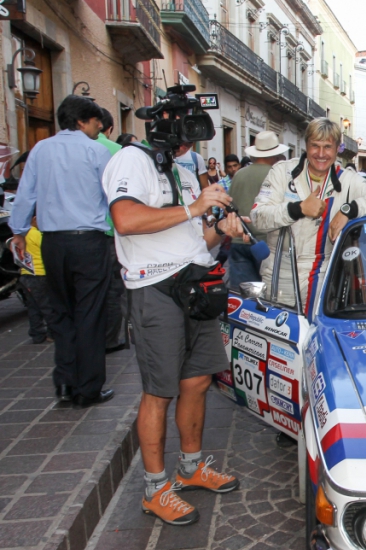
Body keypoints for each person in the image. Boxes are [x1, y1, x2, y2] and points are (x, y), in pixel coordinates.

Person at [103, 116, 250, 526]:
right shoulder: (132, 161)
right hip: (154, 287)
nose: (190, 148)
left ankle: (190, 467)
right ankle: (155, 488)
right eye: (185, 140)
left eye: (194, 142)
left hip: (195, 285)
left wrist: (222, 230)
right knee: (159, 391)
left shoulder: (185, 173)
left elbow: (194, 237)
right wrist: (194, 206)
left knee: (197, 380)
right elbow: (126, 220)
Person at [9, 95, 115, 407]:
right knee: (90, 314)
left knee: (61, 313)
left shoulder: (41, 149)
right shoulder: (97, 151)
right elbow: (113, 197)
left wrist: (18, 232)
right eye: (96, 122)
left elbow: (25, 193)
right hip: (89, 242)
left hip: (53, 243)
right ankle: (89, 388)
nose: (99, 128)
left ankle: (66, 384)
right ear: (82, 121)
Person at [250, 119, 366, 309]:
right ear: (306, 145)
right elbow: (257, 216)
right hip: (279, 272)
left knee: (314, 334)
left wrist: (349, 209)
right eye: (315, 146)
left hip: (322, 276)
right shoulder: (282, 172)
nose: (321, 154)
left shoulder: (348, 179)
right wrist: (298, 209)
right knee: (284, 334)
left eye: (327, 147)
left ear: (337, 149)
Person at [228, 133, 287, 289]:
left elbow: (230, 205)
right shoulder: (277, 175)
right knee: (270, 294)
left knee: (244, 296)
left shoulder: (239, 174)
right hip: (267, 242)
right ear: (274, 154)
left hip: (239, 240)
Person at [96, 109, 128, 353]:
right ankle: (109, 339)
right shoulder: (117, 152)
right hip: (109, 233)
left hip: (60, 237)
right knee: (113, 290)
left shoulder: (45, 149)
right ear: (108, 129)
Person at [18, 226, 54, 344]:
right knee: (47, 305)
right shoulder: (36, 234)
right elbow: (48, 250)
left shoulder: (21, 235)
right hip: (39, 274)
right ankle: (52, 333)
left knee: (33, 307)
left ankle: (37, 334)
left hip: (25, 274)